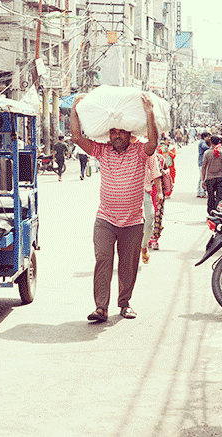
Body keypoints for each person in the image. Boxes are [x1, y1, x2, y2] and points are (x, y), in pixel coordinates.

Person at [70, 93, 158, 323]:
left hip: (133, 222)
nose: (117, 135)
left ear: (130, 133)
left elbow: (153, 144)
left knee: (128, 266)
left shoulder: (139, 151)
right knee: (102, 260)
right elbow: (78, 138)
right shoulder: (102, 151)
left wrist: (149, 112)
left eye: (121, 132)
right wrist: (74, 110)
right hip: (105, 219)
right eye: (113, 132)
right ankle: (101, 307)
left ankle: (124, 303)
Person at [201, 135, 222, 215]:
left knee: (211, 197)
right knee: (220, 197)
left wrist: (203, 180)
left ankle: (211, 212)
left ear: (211, 142)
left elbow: (204, 167)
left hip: (210, 178)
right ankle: (219, 212)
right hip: (221, 177)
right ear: (219, 142)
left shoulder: (207, 153)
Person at [141, 153, 162, 263]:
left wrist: (160, 191)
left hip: (145, 191)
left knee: (150, 218)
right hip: (125, 193)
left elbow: (155, 171)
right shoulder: (120, 146)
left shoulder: (146, 147)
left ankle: (144, 245)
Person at [197, 132, 211, 198]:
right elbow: (206, 148)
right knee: (203, 177)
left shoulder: (201, 142)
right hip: (202, 162)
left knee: (201, 177)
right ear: (205, 137)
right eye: (208, 137)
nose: (209, 138)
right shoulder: (203, 143)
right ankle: (202, 192)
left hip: (200, 161)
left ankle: (199, 192)